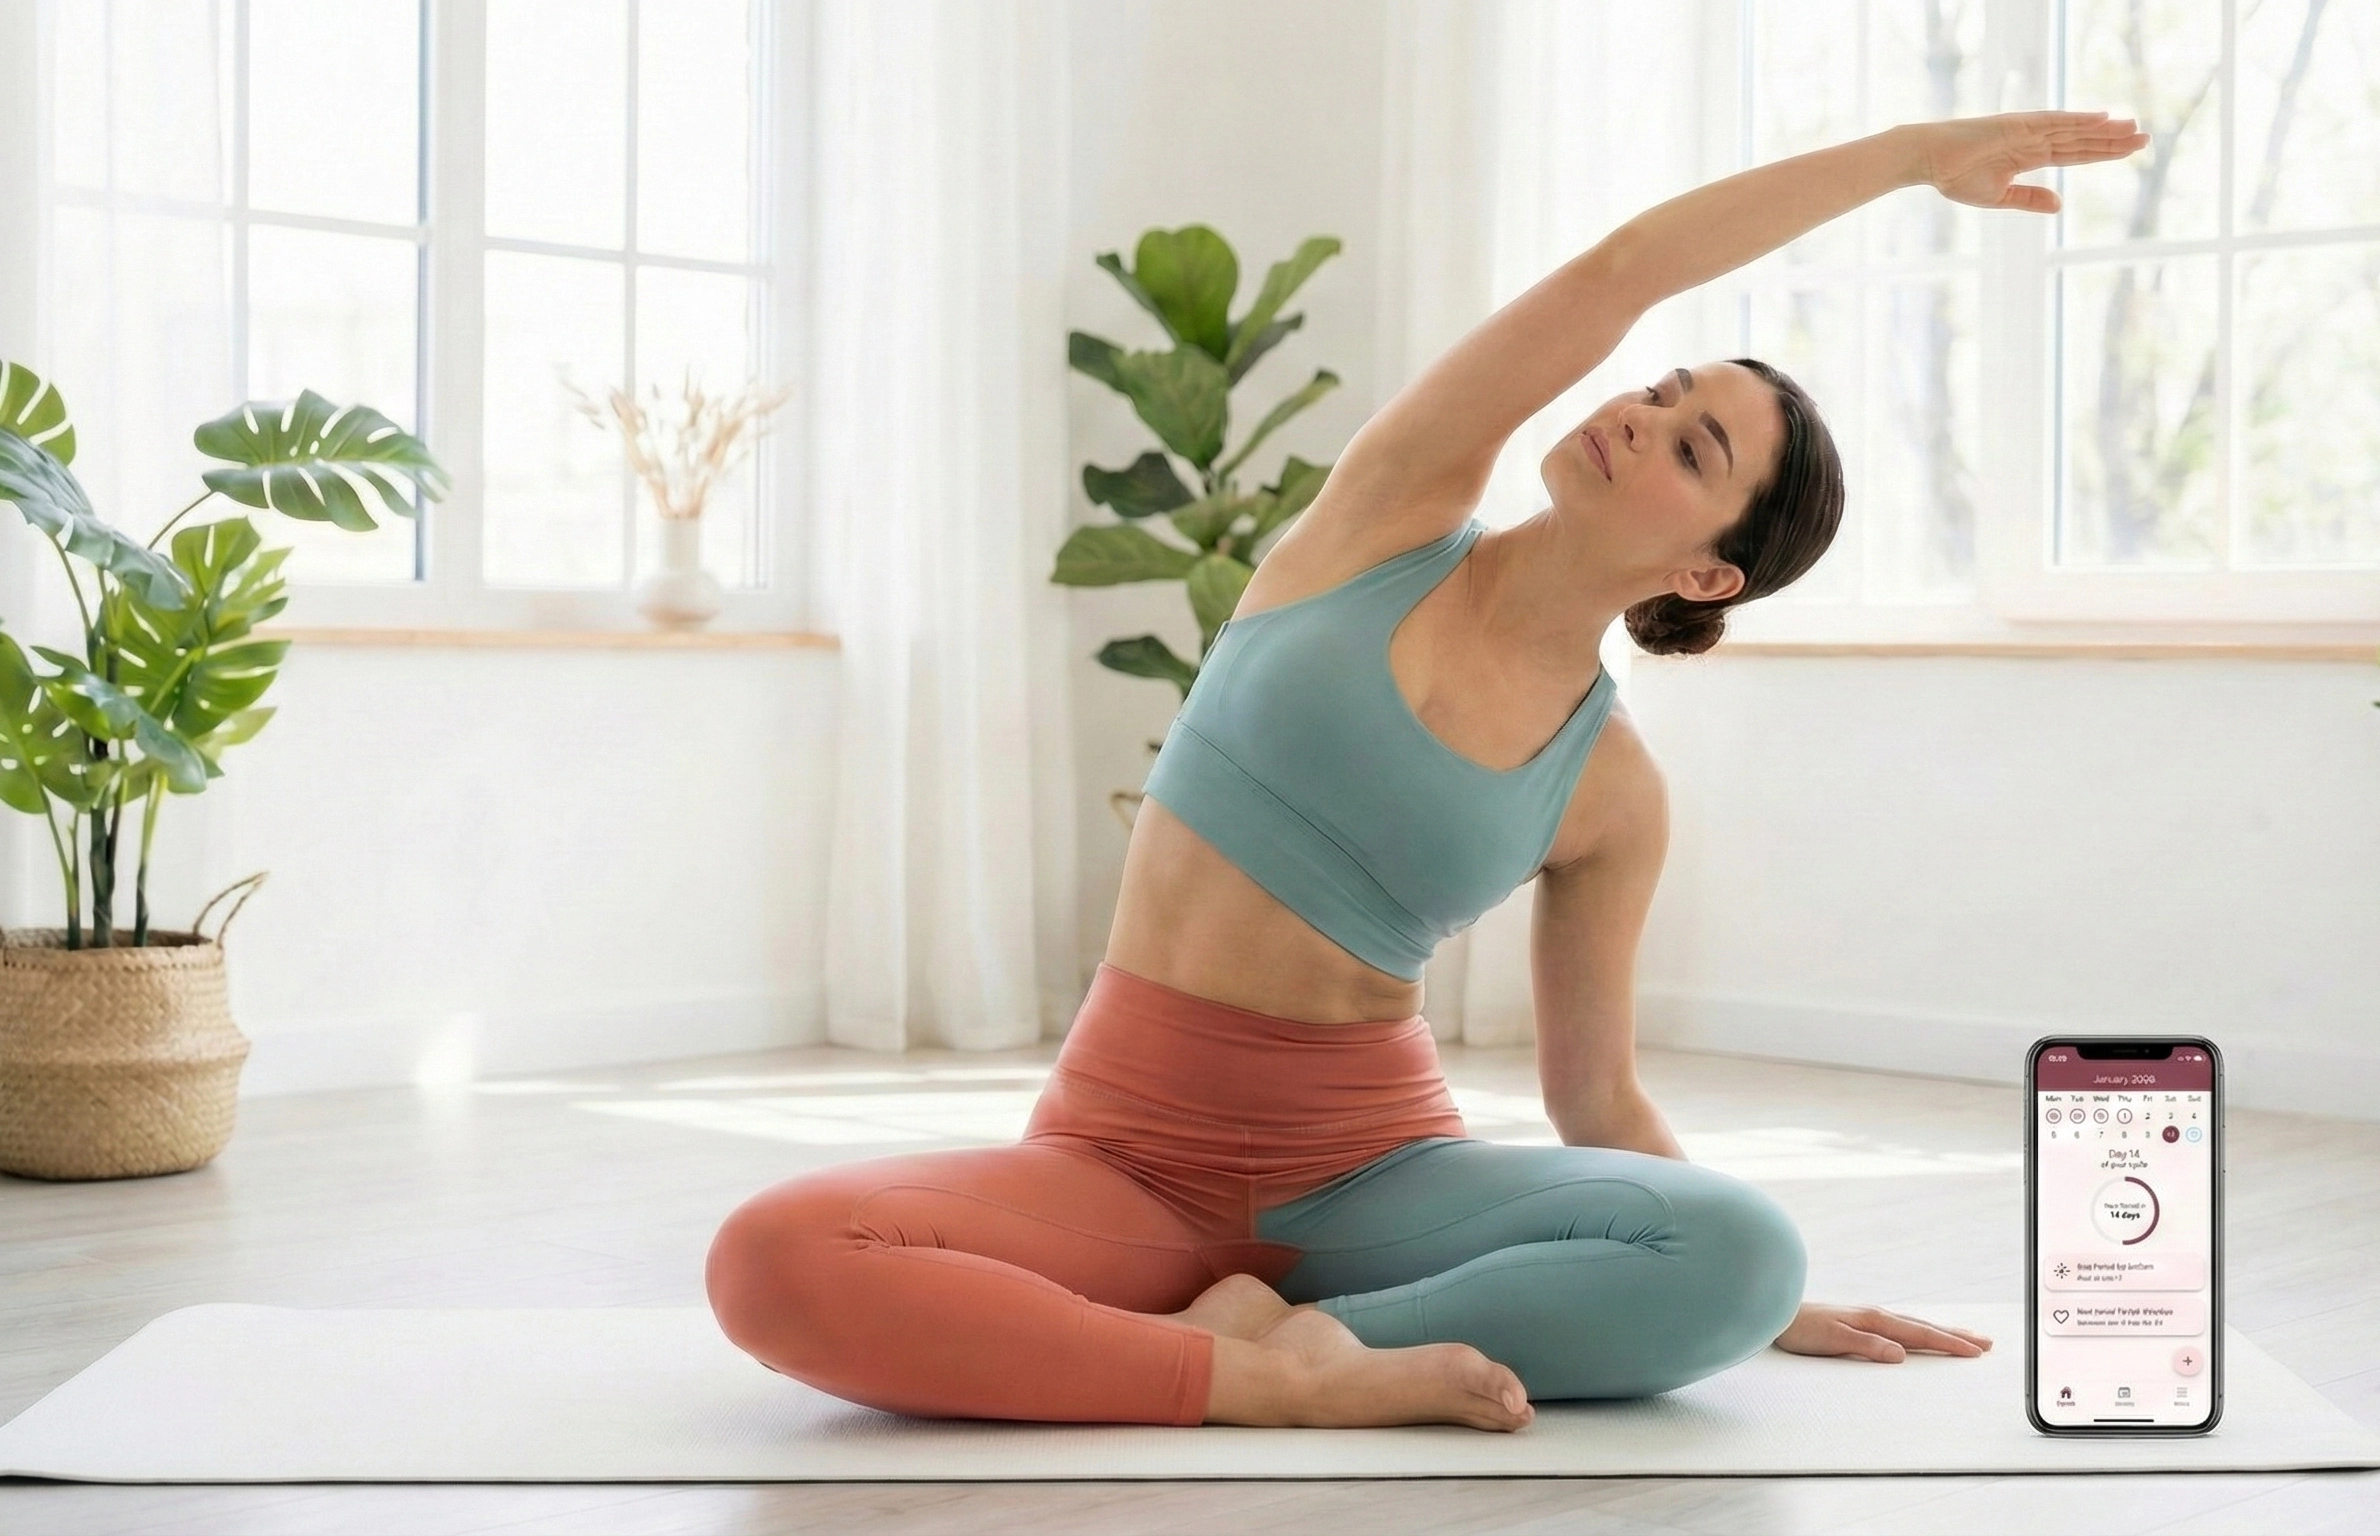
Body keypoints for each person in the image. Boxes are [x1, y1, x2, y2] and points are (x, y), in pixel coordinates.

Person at [707, 108, 2150, 1432]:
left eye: (1693, 444)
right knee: (771, 1257)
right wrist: (1907, 160)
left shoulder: (1613, 791)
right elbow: (1624, 267)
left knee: (1745, 1247)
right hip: (1119, 1164)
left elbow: (1600, 1106)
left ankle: (1314, 1342)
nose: (1638, 413)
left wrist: (1767, 1300)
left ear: (1709, 568)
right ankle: (1257, 1375)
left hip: (1376, 1185)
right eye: (1660, 390)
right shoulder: (1386, 521)